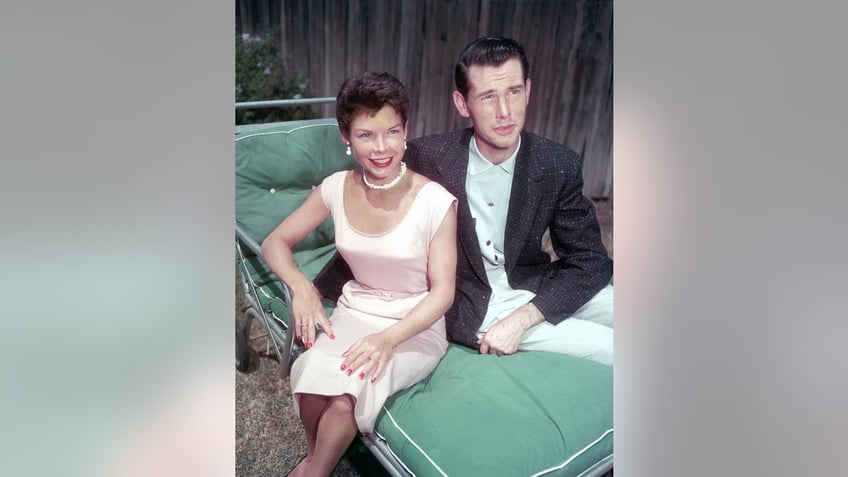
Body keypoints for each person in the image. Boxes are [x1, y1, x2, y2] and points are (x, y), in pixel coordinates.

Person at [316, 37, 613, 366]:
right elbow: (377, 222)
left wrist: (527, 317)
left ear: (527, 90)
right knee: (613, 347)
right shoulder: (425, 158)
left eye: (513, 92)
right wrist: (315, 289)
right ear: (462, 103)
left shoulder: (556, 162)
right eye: (487, 97)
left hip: (534, 285)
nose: (504, 112)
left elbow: (591, 262)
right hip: (473, 301)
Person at [260, 72, 458, 477]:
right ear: (345, 137)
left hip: (413, 325)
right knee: (314, 378)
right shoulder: (335, 187)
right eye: (367, 135)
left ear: (407, 131)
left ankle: (313, 471)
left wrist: (388, 340)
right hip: (356, 309)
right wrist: (302, 287)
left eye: (393, 132)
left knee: (350, 392)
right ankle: (318, 462)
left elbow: (443, 294)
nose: (382, 148)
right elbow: (274, 242)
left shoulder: (436, 201)